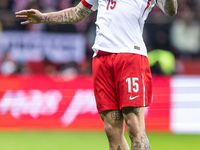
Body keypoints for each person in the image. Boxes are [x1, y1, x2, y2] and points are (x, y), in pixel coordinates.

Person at [15, 0, 178, 149]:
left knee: (134, 125)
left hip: (130, 58)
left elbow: (171, 11)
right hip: (102, 59)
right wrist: (44, 17)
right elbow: (78, 12)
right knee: (112, 131)